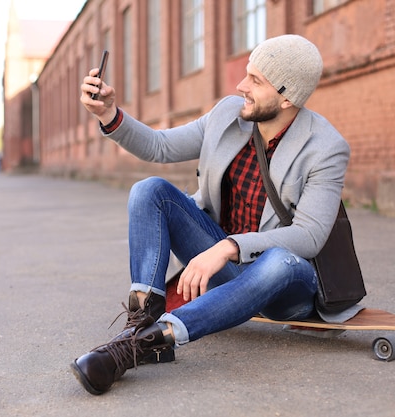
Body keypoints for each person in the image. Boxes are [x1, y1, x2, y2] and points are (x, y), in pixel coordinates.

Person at [71, 34, 350, 395]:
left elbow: (309, 237)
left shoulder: (326, 148)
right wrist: (109, 114)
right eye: (247, 74)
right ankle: (139, 325)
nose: (241, 86)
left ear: (286, 97)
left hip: (284, 286)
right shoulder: (227, 115)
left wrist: (227, 247)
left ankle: (144, 344)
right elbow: (160, 145)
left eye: (255, 81)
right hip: (227, 272)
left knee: (281, 261)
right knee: (149, 190)